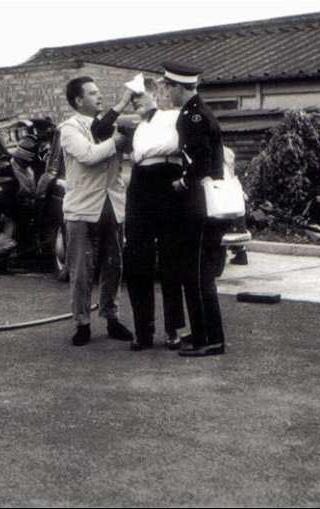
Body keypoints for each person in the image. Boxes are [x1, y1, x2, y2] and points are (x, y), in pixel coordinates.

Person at [59, 76, 135, 346]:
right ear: (78, 100)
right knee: (81, 271)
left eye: (99, 92)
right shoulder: (69, 129)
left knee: (114, 266)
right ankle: (82, 324)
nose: (99, 97)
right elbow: (89, 155)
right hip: (82, 209)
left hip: (112, 205)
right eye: (92, 93)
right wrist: (117, 140)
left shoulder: (110, 125)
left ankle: (112, 318)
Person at [163, 61, 228, 357]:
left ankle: (211, 340)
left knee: (200, 273)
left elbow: (200, 163)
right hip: (201, 204)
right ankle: (201, 332)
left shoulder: (195, 118)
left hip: (200, 205)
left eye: (168, 87)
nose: (167, 92)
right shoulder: (195, 113)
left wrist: (182, 183)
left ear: (179, 87)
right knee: (193, 271)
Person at [124, 77, 188, 351]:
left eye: (138, 95)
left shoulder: (173, 116)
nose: (135, 102)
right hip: (140, 184)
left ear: (156, 93)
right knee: (138, 258)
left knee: (171, 258)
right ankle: (143, 331)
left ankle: (173, 329)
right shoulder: (136, 128)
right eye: (131, 98)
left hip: (167, 179)